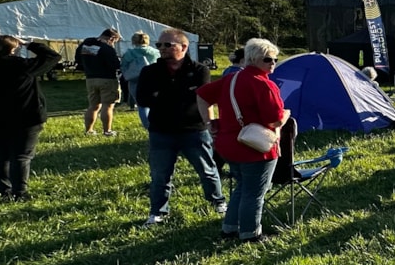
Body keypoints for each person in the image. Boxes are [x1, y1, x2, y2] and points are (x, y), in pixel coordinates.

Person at [196, 38, 287, 243]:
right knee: (255, 193)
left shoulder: (231, 78)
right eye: (268, 59)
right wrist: (285, 117)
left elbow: (202, 95)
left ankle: (229, 229)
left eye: (275, 59)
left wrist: (209, 123)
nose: (272, 63)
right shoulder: (264, 84)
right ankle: (250, 234)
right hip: (255, 146)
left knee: (242, 187)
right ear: (254, 59)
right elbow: (274, 120)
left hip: (228, 144)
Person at [136, 29, 227, 227]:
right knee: (160, 175)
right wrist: (177, 95)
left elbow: (200, 97)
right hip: (161, 130)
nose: (161, 49)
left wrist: (162, 95)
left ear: (183, 47)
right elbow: (142, 99)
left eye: (167, 45)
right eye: (159, 45)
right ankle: (157, 212)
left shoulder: (199, 69)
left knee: (208, 170)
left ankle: (218, 201)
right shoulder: (149, 71)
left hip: (194, 129)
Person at [0, 35, 60, 201]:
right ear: (14, 49)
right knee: (21, 155)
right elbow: (53, 57)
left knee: (2, 154)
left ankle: (4, 190)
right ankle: (20, 192)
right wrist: (30, 44)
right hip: (26, 115)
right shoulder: (21, 66)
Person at [76, 27, 122, 136]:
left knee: (93, 106)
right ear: (112, 38)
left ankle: (89, 130)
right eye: (114, 41)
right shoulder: (106, 48)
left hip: (90, 78)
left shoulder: (84, 45)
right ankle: (107, 131)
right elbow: (115, 64)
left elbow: (78, 60)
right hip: (107, 79)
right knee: (108, 105)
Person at [120, 31, 160, 128]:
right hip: (153, 80)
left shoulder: (129, 53)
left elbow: (123, 66)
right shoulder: (155, 52)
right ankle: (157, 123)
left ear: (133, 41)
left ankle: (148, 126)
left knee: (141, 105)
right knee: (156, 103)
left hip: (135, 81)